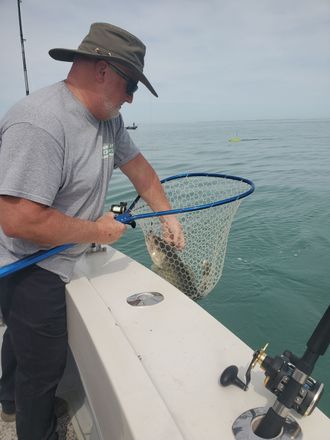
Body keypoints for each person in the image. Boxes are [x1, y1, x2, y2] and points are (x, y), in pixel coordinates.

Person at [0, 22, 184, 440]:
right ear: (102, 71)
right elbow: (18, 219)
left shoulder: (109, 121)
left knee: (21, 341)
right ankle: (35, 427)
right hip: (29, 264)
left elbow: (143, 174)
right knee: (42, 368)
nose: (131, 97)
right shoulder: (40, 122)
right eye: (130, 84)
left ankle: (7, 399)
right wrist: (97, 230)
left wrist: (168, 217)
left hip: (65, 252)